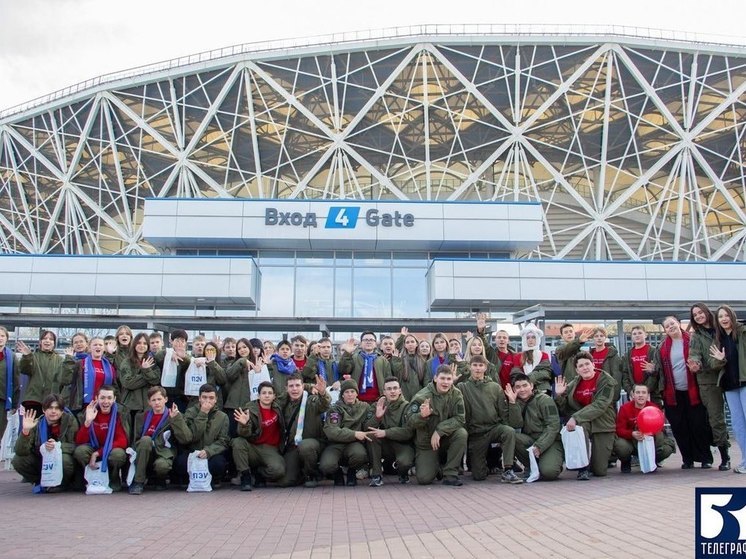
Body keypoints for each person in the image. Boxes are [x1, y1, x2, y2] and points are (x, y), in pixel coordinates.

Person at [648, 315, 713, 469]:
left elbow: (703, 360)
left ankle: (705, 458)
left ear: (678, 323)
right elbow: (658, 368)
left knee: (698, 425)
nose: (671, 327)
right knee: (680, 427)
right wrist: (652, 370)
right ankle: (687, 459)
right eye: (667, 326)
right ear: (665, 330)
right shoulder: (662, 347)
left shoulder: (693, 340)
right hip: (673, 394)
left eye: (672, 323)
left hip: (694, 391)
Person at [457, 355, 523, 483]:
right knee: (478, 475)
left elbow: (503, 412)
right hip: (476, 433)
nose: (477, 368)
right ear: (470, 367)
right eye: (475, 365)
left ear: (486, 367)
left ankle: (508, 469)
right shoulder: (462, 387)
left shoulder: (494, 387)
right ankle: (484, 464)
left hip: (493, 428)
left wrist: (503, 431)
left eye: (480, 365)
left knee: (508, 431)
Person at [555, 351, 617, 480]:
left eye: (587, 364)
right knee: (580, 426)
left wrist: (575, 417)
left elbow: (600, 405)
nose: (585, 368)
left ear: (593, 364)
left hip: (602, 423)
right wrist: (560, 395)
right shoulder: (575, 383)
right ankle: (582, 467)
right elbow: (563, 407)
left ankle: (611, 454)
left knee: (599, 471)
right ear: (577, 370)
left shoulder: (606, 380)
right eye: (581, 366)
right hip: (585, 422)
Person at [407, 364, 467, 486]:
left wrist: (440, 430)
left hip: (445, 438)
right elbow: (410, 422)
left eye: (449, 379)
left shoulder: (456, 394)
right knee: (424, 479)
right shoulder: (422, 396)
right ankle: (437, 467)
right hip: (426, 442)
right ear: (435, 378)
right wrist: (422, 416)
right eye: (442, 378)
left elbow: (460, 418)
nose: (445, 382)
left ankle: (450, 474)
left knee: (461, 433)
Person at [688, 302, 730, 470]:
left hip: (731, 376)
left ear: (707, 312)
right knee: (716, 419)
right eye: (695, 314)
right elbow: (694, 354)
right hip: (709, 380)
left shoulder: (721, 327)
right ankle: (725, 456)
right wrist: (695, 364)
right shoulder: (696, 336)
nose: (698, 316)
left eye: (700, 312)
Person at [13, 393, 77, 492]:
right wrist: (25, 431)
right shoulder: (37, 424)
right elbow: (20, 451)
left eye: (57, 408)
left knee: (64, 459)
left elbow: (75, 445)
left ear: (62, 411)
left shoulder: (70, 422)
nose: (53, 411)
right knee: (18, 460)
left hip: (63, 461)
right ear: (43, 409)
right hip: (42, 460)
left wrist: (56, 447)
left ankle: (62, 483)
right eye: (50, 408)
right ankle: (40, 481)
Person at [505, 373, 564, 481]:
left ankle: (551, 463)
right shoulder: (516, 402)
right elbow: (515, 425)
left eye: (525, 385)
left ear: (531, 386)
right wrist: (512, 403)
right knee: (511, 435)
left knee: (549, 473)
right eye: (518, 387)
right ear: (514, 389)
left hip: (549, 441)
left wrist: (540, 446)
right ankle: (530, 466)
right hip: (530, 440)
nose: (522, 389)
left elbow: (553, 426)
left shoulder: (544, 400)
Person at [275, 373, 331, 487]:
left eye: (297, 385)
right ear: (286, 388)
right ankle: (300, 474)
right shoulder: (284, 404)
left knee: (305, 446)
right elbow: (274, 402)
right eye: (291, 386)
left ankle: (311, 474)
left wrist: (322, 393)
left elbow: (324, 405)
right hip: (293, 447)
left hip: (313, 444)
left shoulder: (311, 400)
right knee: (284, 481)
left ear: (302, 387)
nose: (294, 389)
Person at [170, 383, 230, 489]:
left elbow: (223, 441)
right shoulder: (190, 412)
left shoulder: (222, 417)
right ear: (199, 398)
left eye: (211, 398)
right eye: (204, 397)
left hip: (211, 454)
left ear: (216, 399)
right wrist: (203, 414)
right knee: (179, 464)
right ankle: (187, 478)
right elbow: (191, 437)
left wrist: (209, 451)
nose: (208, 401)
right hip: (193, 452)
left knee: (219, 464)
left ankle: (214, 479)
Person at [709, 305, 746, 474]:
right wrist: (720, 360)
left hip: (745, 383)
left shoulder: (743, 332)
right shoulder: (719, 339)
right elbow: (714, 365)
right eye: (720, 317)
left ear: (732, 316)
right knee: (738, 427)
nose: (724, 319)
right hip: (730, 387)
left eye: (726, 315)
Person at [74, 385, 129, 492]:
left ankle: (113, 479)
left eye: (109, 398)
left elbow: (122, 441)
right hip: (93, 446)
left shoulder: (120, 414)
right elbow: (79, 441)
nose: (106, 401)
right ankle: (89, 479)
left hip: (110, 449)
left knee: (118, 455)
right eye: (102, 398)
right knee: (80, 452)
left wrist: (98, 453)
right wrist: (88, 422)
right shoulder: (88, 412)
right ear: (96, 398)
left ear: (114, 399)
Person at [232, 381, 286, 490]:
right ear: (258, 395)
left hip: (271, 449)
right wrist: (245, 424)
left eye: (270, 393)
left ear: (274, 396)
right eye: (264, 393)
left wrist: (310, 387)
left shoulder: (277, 407)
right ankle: (245, 476)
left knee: (278, 471)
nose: (267, 395)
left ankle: (258, 474)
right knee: (237, 442)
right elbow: (243, 434)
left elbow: (292, 390)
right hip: (253, 447)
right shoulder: (250, 410)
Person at [319, 379, 371, 486]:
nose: (350, 394)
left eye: (352, 391)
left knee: (360, 455)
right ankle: (337, 472)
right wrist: (354, 434)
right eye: (346, 392)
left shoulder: (364, 407)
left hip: (354, 444)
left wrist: (378, 417)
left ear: (357, 393)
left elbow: (370, 423)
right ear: (342, 395)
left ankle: (352, 471)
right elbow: (332, 431)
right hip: (336, 444)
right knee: (327, 465)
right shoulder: (335, 409)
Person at [365, 376, 415, 486]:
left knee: (404, 463)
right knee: (372, 436)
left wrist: (386, 432)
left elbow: (408, 432)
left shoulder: (407, 407)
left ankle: (403, 473)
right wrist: (377, 418)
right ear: (384, 392)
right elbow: (366, 428)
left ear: (400, 390)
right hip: (385, 444)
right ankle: (376, 475)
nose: (392, 391)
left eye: (395, 388)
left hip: (402, 445)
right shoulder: (378, 405)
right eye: (389, 389)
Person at [614, 384, 675, 473]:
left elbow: (660, 427)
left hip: (650, 441)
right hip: (631, 442)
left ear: (648, 395)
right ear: (633, 395)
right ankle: (626, 461)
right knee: (620, 446)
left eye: (643, 392)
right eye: (638, 392)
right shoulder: (624, 408)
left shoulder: (654, 408)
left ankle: (652, 461)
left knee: (667, 448)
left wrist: (650, 433)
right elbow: (619, 429)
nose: (641, 395)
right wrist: (632, 434)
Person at [128, 386, 178, 494]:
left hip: (163, 451)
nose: (157, 403)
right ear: (149, 402)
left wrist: (176, 420)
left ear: (166, 399)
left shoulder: (172, 415)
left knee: (162, 466)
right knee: (145, 440)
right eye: (153, 400)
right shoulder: (141, 416)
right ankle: (138, 482)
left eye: (159, 399)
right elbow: (136, 438)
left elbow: (185, 438)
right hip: (144, 450)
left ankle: (160, 480)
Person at [18, 330, 76, 415]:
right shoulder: (33, 357)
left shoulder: (60, 360)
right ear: (40, 342)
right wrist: (27, 356)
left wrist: (69, 360)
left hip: (52, 402)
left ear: (54, 343)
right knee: (31, 427)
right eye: (45, 338)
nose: (47, 341)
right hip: (33, 401)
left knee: (50, 428)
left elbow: (66, 380)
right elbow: (24, 369)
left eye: (51, 339)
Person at [338, 332, 391, 404]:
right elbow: (343, 370)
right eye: (365, 340)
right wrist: (347, 354)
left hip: (378, 401)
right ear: (361, 343)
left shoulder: (383, 360)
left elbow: (388, 380)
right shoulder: (354, 358)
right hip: (357, 401)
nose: (368, 341)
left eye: (371, 340)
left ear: (375, 344)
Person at [621, 326, 661, 406]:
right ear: (631, 337)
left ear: (645, 335)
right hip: (634, 394)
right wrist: (631, 391)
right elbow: (625, 375)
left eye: (640, 333)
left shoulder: (654, 351)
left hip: (652, 395)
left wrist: (646, 390)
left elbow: (659, 373)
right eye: (634, 334)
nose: (637, 335)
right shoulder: (627, 354)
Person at [514, 324, 553, 395]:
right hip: (523, 391)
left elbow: (546, 373)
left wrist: (527, 379)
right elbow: (515, 373)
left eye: (533, 337)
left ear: (537, 339)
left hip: (541, 390)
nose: (530, 340)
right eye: (528, 337)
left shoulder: (544, 355)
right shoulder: (518, 356)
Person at [588, 327, 623, 404]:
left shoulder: (612, 354)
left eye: (601, 336)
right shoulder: (589, 355)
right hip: (592, 392)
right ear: (593, 338)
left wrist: (614, 396)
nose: (599, 338)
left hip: (608, 393)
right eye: (596, 336)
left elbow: (617, 376)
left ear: (605, 338)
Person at [0, 326, 20, 440]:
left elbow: (16, 382)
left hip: (2, 401)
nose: (0, 338)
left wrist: (15, 404)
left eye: (2, 336)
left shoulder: (11, 357)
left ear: (6, 339)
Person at [396, 332, 427, 401]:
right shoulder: (400, 360)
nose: (410, 344)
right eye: (407, 342)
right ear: (404, 345)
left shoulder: (423, 361)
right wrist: (402, 336)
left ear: (416, 344)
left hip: (418, 396)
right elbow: (395, 347)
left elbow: (425, 381)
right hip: (403, 397)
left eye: (412, 342)